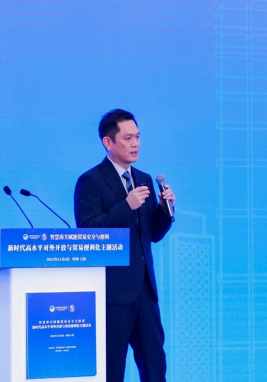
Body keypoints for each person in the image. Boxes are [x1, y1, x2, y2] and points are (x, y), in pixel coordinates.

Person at [74, 109, 175, 382]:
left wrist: (165, 210)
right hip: (112, 293)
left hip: (145, 290)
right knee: (112, 369)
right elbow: (86, 232)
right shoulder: (91, 181)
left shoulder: (143, 179)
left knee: (155, 366)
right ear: (108, 142)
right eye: (128, 138)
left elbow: (152, 234)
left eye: (138, 137)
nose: (136, 144)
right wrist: (125, 206)